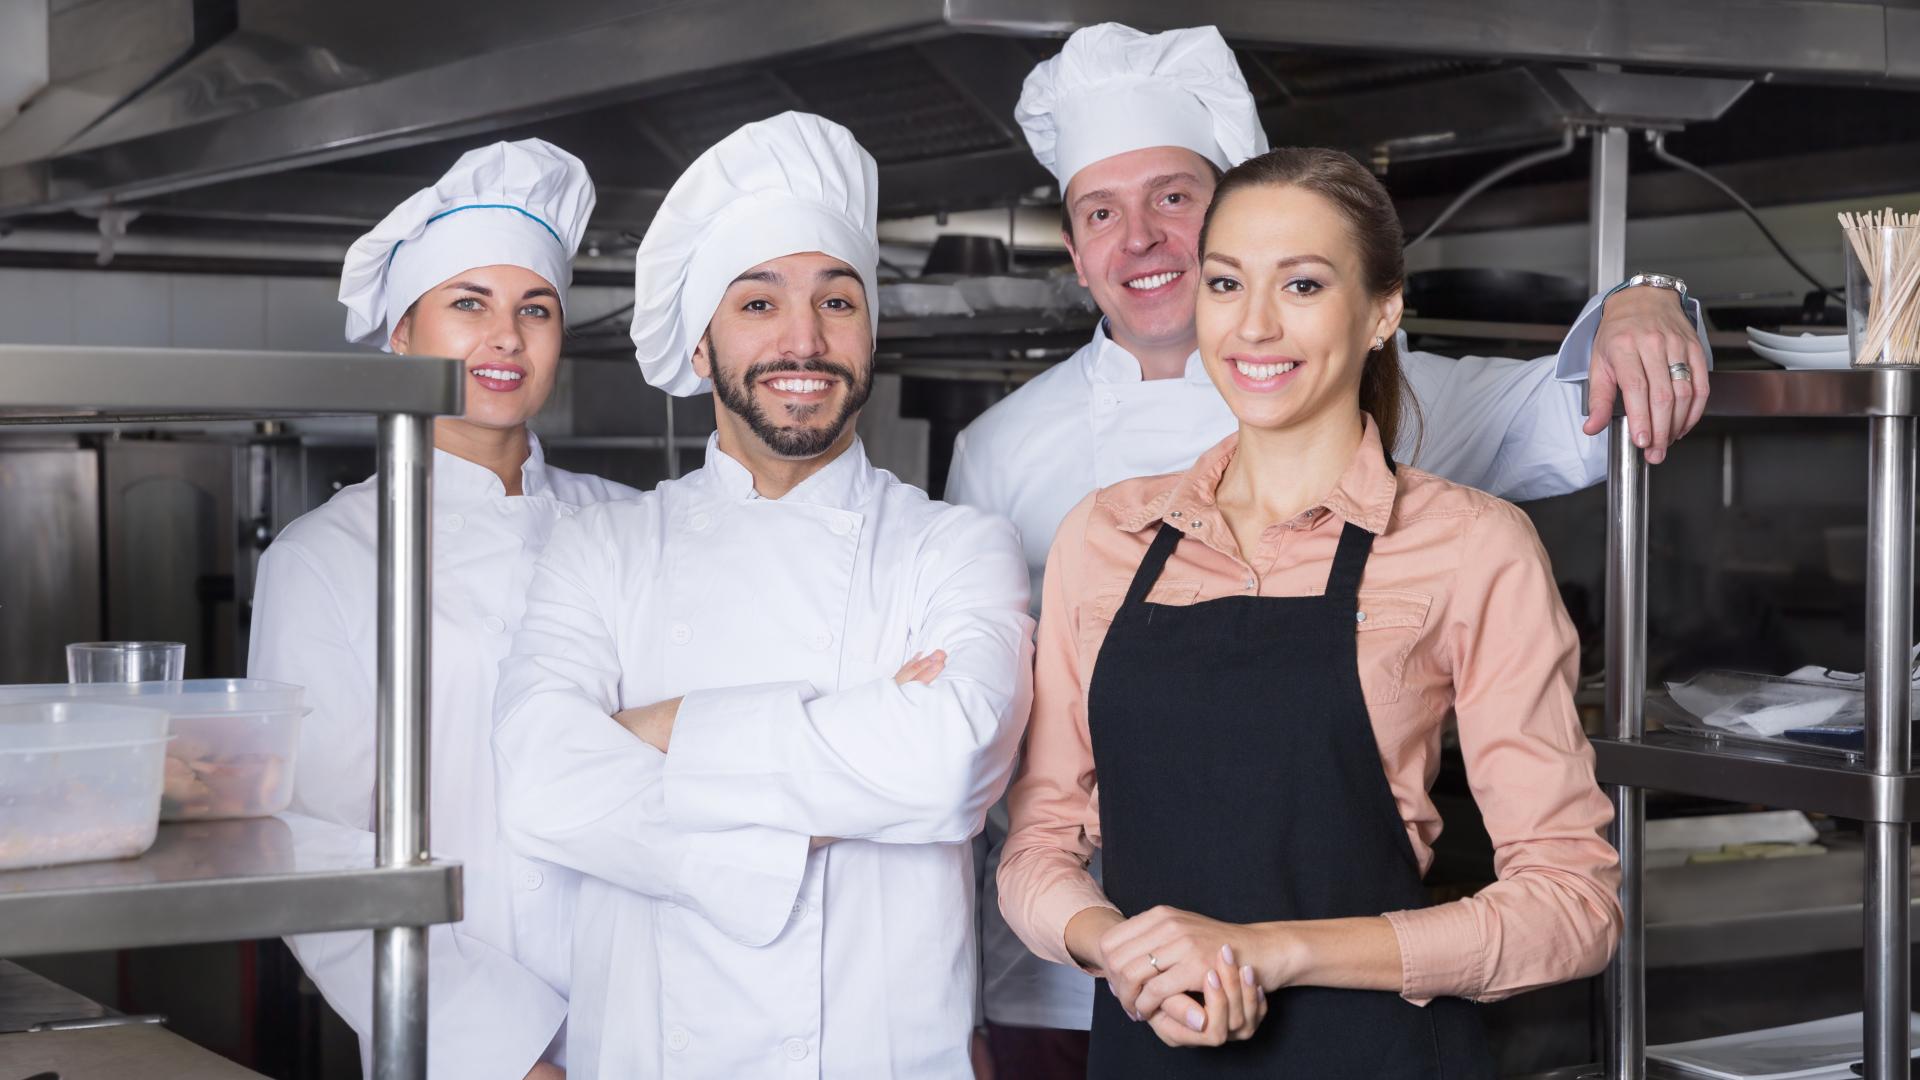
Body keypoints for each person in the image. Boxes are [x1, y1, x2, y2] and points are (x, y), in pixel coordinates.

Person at [949, 24, 1701, 1071]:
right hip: (1133, 1018)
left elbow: (1574, 905)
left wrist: (1646, 294)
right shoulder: (1087, 518)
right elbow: (1034, 834)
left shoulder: (1465, 531)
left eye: (1300, 284)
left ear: (1381, 310)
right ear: (1075, 251)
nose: (1255, 325)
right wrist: (1131, 952)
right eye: (1230, 286)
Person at [490, 111, 1034, 1079]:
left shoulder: (958, 547)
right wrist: (854, 759)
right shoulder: (601, 550)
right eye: (757, 304)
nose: (803, 340)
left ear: (871, 328)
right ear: (699, 348)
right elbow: (539, 782)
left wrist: (659, 729)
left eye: (837, 301)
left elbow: (949, 766)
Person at [249, 139, 635, 1080]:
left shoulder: (634, 527)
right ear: (401, 335)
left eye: (534, 309)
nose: (506, 337)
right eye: (469, 304)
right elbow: (310, 845)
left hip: (660, 1020)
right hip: (462, 1051)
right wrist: (507, 1053)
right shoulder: (325, 559)